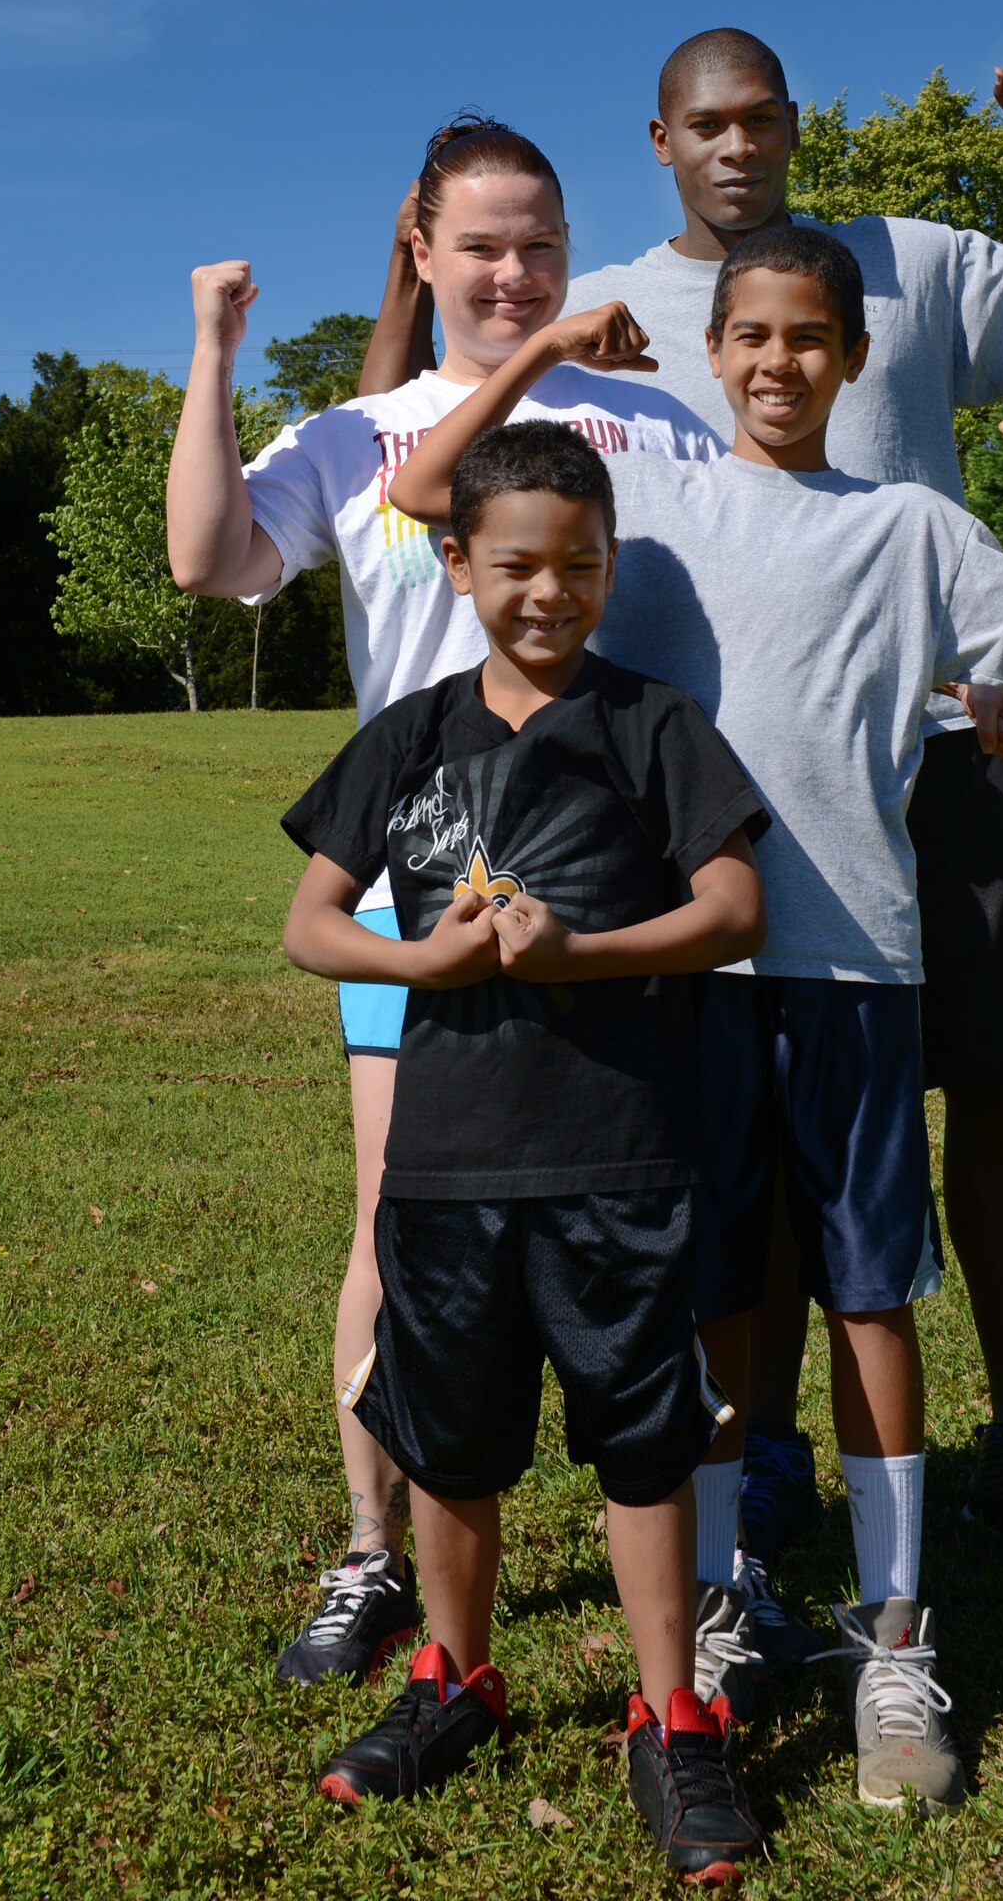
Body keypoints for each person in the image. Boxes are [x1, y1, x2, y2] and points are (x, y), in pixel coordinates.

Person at [385, 226, 1003, 1811]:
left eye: (810, 339)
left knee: (869, 1293)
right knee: (710, 1296)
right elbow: (423, 488)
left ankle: (897, 1633)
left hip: (858, 969)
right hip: (678, 979)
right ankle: (718, 1613)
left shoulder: (913, 522)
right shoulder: (641, 513)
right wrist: (547, 353)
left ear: (852, 360)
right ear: (708, 352)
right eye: (751, 337)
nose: (779, 363)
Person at [556, 28, 1003, 1578]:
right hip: (732, 791)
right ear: (659, 138)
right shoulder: (617, 302)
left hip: (951, 735)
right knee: (746, 1124)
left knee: (992, 1074)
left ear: (795, 127)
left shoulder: (912, 265)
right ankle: (762, 1467)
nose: (736, 148)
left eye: (761, 120)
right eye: (705, 126)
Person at [166, 115, 724, 1690]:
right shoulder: (356, 437)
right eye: (479, 244)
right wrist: (212, 351)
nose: (512, 269)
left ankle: (711, 1546)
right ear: (420, 252)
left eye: (538, 242)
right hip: (422, 901)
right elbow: (209, 555)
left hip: (610, 895)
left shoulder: (645, 420)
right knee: (393, 1220)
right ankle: (371, 1550)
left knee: (637, 1218)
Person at [279, 420, 769, 1885]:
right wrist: (421, 965)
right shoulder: (412, 735)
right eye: (515, 567)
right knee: (455, 1446)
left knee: (641, 1444)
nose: (548, 594)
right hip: (443, 1167)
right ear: (456, 563)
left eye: (578, 566)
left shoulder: (653, 727)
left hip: (620, 1156)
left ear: (608, 565)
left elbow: (735, 909)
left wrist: (583, 955)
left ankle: (672, 1715)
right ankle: (456, 1680)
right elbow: (309, 924)